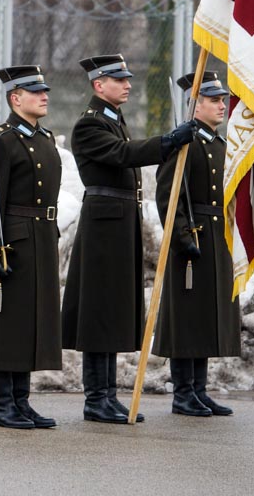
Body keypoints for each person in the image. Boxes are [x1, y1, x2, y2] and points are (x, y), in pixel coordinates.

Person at [61, 53, 194, 425]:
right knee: (98, 314)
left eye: (128, 79)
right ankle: (95, 398)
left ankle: (108, 394)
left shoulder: (113, 120)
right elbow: (122, 155)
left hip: (119, 223)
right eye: (119, 80)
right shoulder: (89, 126)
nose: (128, 85)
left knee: (113, 312)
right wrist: (166, 142)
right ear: (98, 85)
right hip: (104, 225)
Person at [0, 65, 62, 430]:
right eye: (35, 91)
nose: (44, 96)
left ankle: (22, 401)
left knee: (30, 323)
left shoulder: (45, 138)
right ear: (15, 97)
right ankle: (3, 404)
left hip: (40, 240)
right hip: (13, 242)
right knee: (6, 325)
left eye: (45, 91)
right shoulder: (1, 141)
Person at [154, 71, 241, 417]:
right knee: (188, 317)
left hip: (216, 236)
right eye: (214, 100)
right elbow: (167, 197)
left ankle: (200, 390)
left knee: (206, 314)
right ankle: (183, 392)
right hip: (191, 237)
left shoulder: (219, 144)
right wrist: (181, 235)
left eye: (223, 100)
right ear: (195, 104)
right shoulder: (185, 144)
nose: (222, 105)